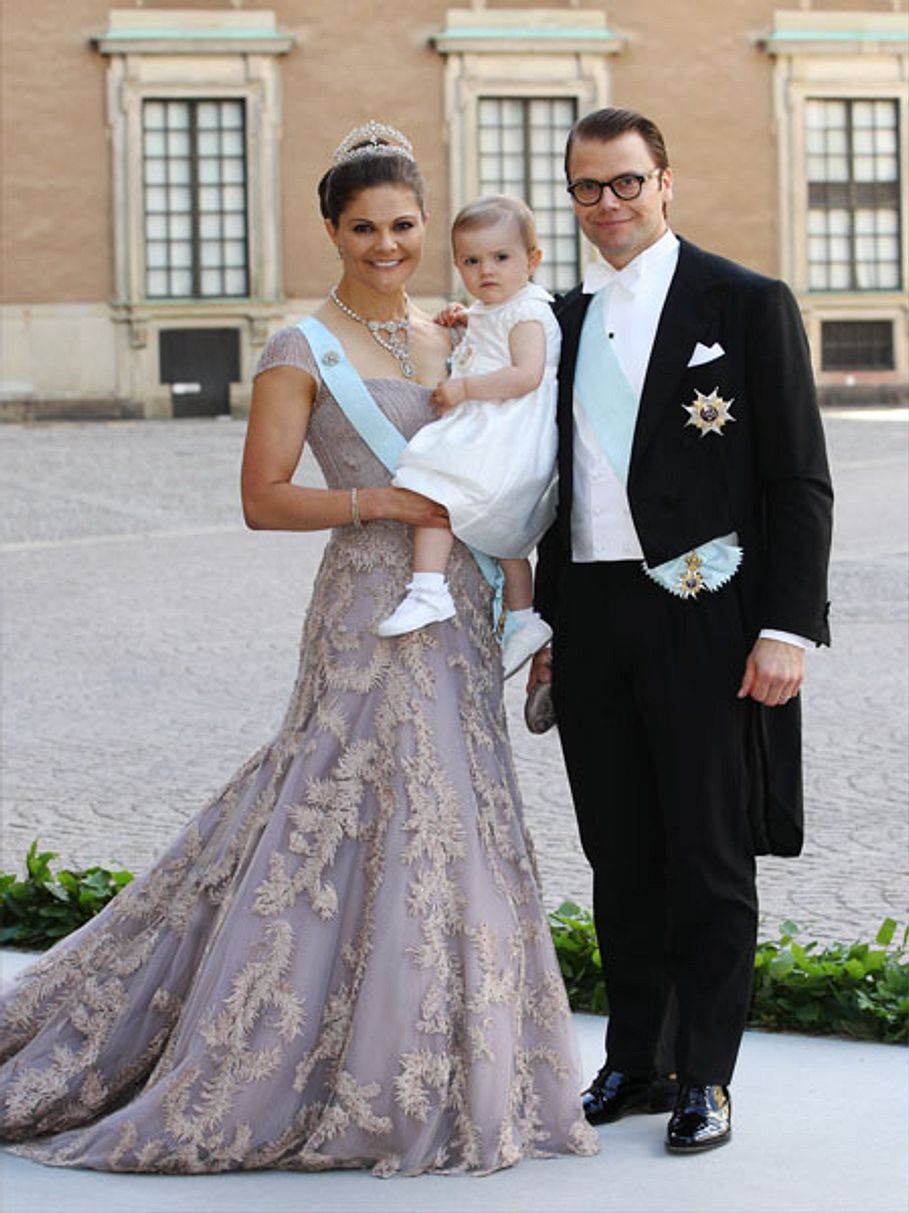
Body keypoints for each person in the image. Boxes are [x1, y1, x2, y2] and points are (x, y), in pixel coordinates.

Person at [0, 122, 599, 1176]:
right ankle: (327, 1062)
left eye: (403, 225)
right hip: (369, 603)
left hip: (459, 604)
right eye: (363, 227)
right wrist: (380, 501)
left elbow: (511, 459)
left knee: (454, 806)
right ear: (331, 229)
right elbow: (263, 498)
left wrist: (528, 603)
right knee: (353, 793)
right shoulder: (300, 348)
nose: (386, 245)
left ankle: (446, 1060)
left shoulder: (458, 333)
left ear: (428, 225)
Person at [529, 107, 833, 1153]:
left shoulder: (744, 303)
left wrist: (787, 625)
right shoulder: (559, 321)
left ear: (664, 182)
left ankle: (706, 1073)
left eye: (626, 181)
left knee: (707, 851)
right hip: (591, 615)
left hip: (708, 611)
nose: (607, 203)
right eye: (587, 187)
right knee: (618, 850)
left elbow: (797, 480)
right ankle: (636, 1060)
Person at [377, 195, 558, 680]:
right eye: (472, 261)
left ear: (532, 260)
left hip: (507, 432)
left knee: (433, 485)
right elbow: (485, 334)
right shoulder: (494, 309)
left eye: (500, 257)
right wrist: (466, 317)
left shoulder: (528, 314)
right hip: (497, 430)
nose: (486, 270)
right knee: (505, 536)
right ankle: (524, 619)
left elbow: (526, 375)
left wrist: (464, 388)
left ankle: (428, 589)